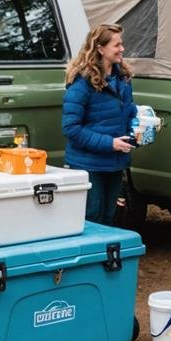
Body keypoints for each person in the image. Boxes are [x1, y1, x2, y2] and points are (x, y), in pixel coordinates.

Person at [62, 23, 138, 226]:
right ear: (100, 48)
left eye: (122, 44)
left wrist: (138, 127)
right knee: (91, 218)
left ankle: (106, 258)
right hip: (88, 165)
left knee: (110, 217)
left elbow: (128, 112)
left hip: (115, 163)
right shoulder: (81, 83)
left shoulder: (123, 78)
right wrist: (109, 143)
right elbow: (71, 128)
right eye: (117, 45)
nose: (122, 49)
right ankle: (89, 258)